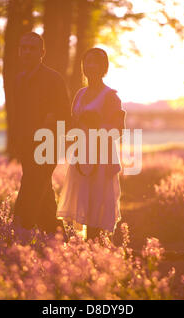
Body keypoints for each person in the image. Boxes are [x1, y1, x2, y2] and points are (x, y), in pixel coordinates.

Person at [56, 48, 126, 240]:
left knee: (97, 205)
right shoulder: (80, 94)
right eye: (87, 62)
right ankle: (89, 250)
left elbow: (118, 131)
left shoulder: (111, 96)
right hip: (81, 156)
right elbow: (72, 124)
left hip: (101, 158)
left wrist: (98, 125)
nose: (90, 66)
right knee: (84, 203)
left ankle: (96, 247)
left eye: (95, 62)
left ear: (104, 67)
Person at [11, 32, 71, 234]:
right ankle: (56, 235)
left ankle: (18, 232)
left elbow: (65, 114)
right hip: (26, 147)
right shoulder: (19, 79)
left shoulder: (54, 79)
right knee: (43, 193)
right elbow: (16, 115)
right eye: (23, 47)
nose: (27, 52)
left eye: (32, 48)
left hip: (47, 146)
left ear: (42, 52)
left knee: (29, 190)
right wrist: (18, 142)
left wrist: (50, 124)